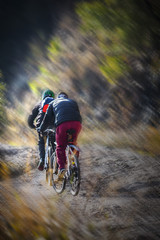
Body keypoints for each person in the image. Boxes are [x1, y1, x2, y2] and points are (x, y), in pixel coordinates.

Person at [38, 91, 82, 179]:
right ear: (66, 97)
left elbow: (46, 119)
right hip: (77, 124)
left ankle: (62, 168)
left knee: (60, 147)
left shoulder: (53, 103)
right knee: (73, 143)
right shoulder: (72, 102)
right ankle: (74, 164)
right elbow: (78, 114)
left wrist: (41, 129)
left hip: (63, 124)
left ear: (58, 97)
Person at [28, 89, 55, 171]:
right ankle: (55, 158)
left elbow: (31, 118)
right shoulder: (55, 102)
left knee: (41, 142)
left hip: (41, 125)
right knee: (54, 142)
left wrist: (33, 126)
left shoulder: (39, 104)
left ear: (43, 96)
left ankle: (42, 160)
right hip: (52, 126)